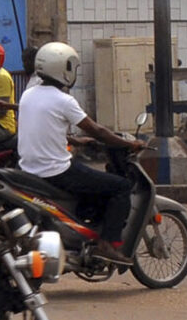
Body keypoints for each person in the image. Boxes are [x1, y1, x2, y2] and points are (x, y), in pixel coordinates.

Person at [18, 41, 144, 239]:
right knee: (121, 186)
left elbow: (44, 128)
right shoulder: (64, 100)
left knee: (93, 180)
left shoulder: (28, 94)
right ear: (63, 69)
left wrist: (75, 141)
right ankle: (109, 244)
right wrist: (131, 144)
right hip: (56, 171)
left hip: (28, 169)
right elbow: (98, 131)